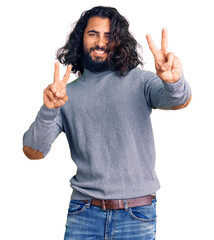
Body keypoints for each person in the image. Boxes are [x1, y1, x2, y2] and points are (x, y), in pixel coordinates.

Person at [23, 6, 192, 240]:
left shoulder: (140, 81)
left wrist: (174, 82)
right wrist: (49, 110)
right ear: (81, 38)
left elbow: (179, 100)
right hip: (84, 214)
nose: (101, 42)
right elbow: (33, 151)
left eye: (109, 35)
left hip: (136, 214)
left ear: (119, 41)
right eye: (93, 34)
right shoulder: (63, 95)